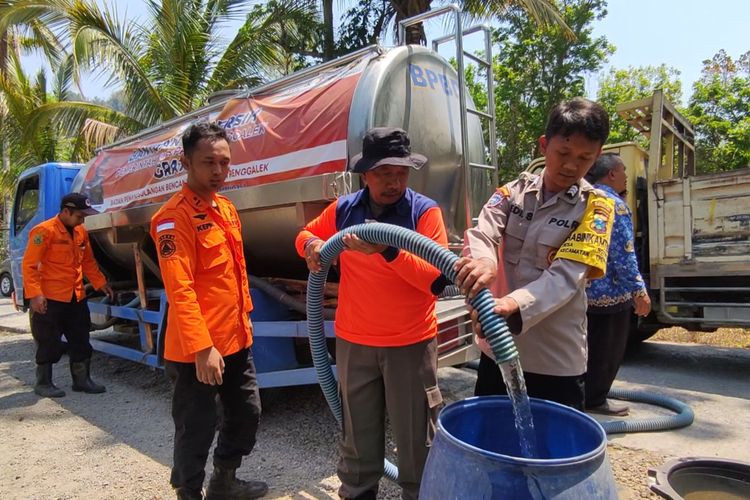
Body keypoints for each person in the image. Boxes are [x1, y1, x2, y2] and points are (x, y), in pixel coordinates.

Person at [295, 127, 450, 500]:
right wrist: (312, 245)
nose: (393, 181)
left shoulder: (424, 212)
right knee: (357, 433)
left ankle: (420, 492)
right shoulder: (345, 209)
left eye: (400, 173)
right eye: (383, 173)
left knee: (417, 436)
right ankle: (357, 491)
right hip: (355, 341)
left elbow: (434, 280)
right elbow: (303, 235)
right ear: (364, 174)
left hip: (409, 343)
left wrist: (389, 250)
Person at [454, 97, 614, 411]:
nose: (571, 165)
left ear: (597, 157)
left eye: (584, 158)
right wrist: (485, 260)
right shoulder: (511, 194)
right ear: (543, 145)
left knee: (551, 455)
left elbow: (566, 276)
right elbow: (483, 232)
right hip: (497, 351)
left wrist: (512, 305)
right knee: (491, 446)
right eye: (563, 152)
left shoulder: (596, 209)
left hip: (554, 362)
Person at [150, 122, 267, 500]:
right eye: (208, 163)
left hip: (235, 339)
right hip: (195, 350)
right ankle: (188, 492)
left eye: (225, 162)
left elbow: (235, 274)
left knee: (246, 413)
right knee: (195, 426)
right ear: (186, 162)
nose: (218, 171)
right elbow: (179, 288)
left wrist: (245, 322)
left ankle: (224, 481)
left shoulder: (228, 209)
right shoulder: (172, 218)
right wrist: (203, 347)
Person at [22, 192, 114, 398]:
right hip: (50, 298)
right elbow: (30, 266)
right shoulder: (43, 231)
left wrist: (101, 283)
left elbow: (88, 262)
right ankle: (43, 382)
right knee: (48, 341)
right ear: (65, 211)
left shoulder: (81, 232)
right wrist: (35, 295)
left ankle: (81, 381)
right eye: (80, 216)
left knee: (81, 337)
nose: (82, 220)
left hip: (76, 296)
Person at [583, 153, 651, 416]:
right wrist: (639, 291)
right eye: (623, 171)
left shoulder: (583, 199)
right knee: (606, 352)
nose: (626, 176)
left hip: (582, 293)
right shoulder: (615, 204)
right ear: (611, 174)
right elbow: (624, 254)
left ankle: (584, 396)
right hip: (610, 295)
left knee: (585, 350)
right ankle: (595, 400)